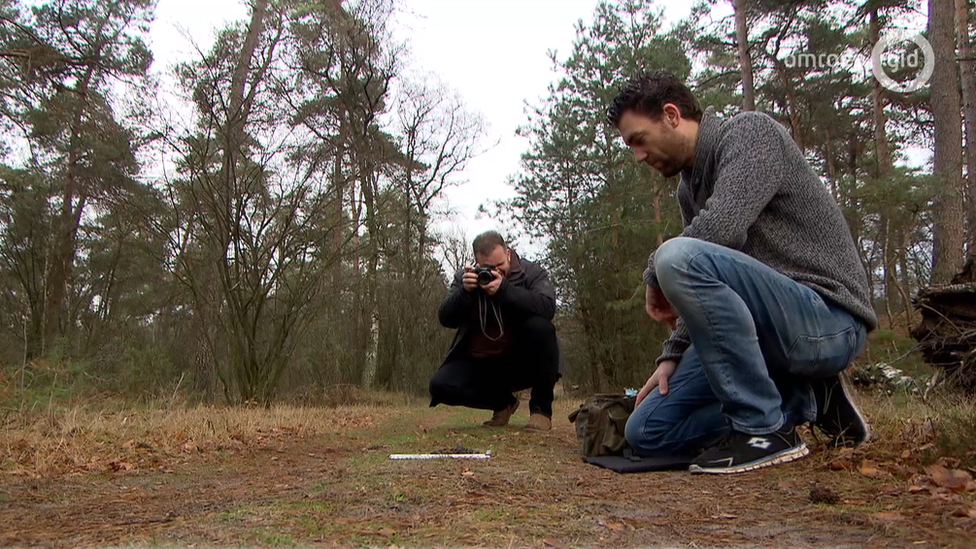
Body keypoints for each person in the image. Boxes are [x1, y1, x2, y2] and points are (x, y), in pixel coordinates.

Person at [608, 71, 878, 474]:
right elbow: (704, 284)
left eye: (638, 140)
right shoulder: (689, 188)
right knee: (647, 431)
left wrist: (655, 272)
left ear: (671, 115)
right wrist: (673, 355)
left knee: (674, 256)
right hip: (764, 330)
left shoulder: (750, 133)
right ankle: (805, 401)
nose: (639, 157)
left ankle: (762, 429)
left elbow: (721, 231)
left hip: (828, 320)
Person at [429, 230, 561, 432]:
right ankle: (503, 404)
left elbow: (547, 307)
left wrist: (505, 290)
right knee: (439, 385)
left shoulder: (531, 273)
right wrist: (465, 293)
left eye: (500, 266)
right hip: (482, 364)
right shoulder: (466, 279)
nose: (496, 272)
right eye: (489, 268)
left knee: (542, 328)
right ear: (477, 263)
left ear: (508, 254)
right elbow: (445, 318)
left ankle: (541, 411)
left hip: (521, 360)